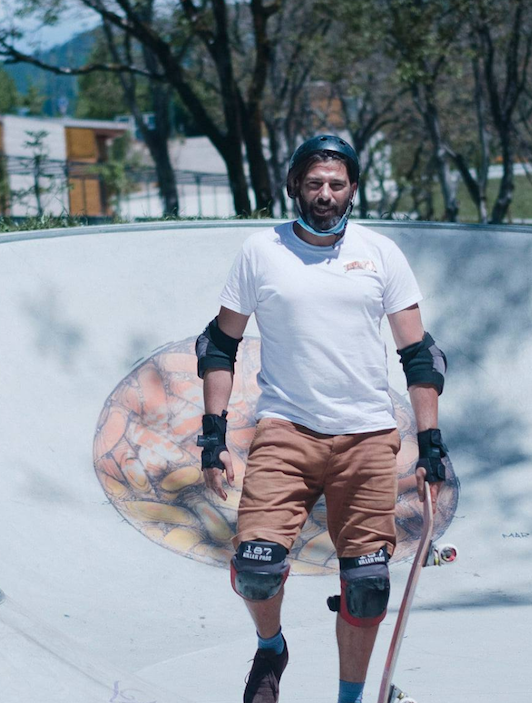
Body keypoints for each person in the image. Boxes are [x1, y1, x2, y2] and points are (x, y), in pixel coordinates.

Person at [194, 135, 451, 703]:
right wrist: (213, 438)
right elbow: (218, 345)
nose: (326, 194)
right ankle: (271, 648)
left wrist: (431, 443)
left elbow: (419, 353)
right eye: (314, 184)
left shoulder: (380, 253)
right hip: (286, 432)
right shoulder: (261, 252)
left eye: (336, 184)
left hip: (366, 437)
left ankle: (351, 699)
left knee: (366, 587)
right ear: (295, 188)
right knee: (257, 567)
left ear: (353, 189)